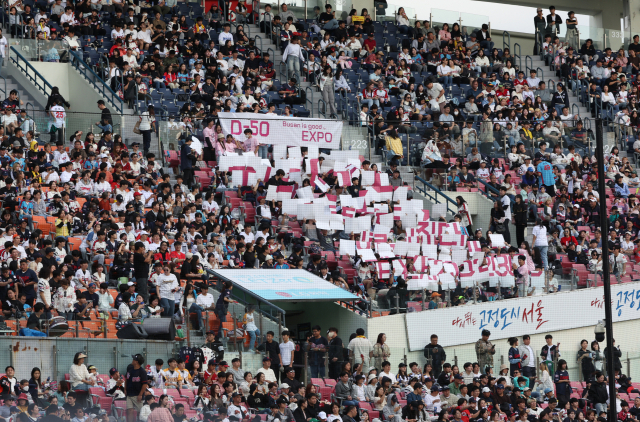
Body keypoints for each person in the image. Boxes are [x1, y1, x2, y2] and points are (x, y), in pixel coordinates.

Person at [125, 354, 148, 422]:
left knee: (141, 412)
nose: (132, 360)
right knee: (130, 411)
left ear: (136, 362)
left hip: (137, 395)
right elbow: (126, 379)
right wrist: (125, 389)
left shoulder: (142, 372)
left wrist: (140, 395)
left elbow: (144, 384)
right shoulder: (130, 370)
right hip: (129, 395)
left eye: (134, 359)